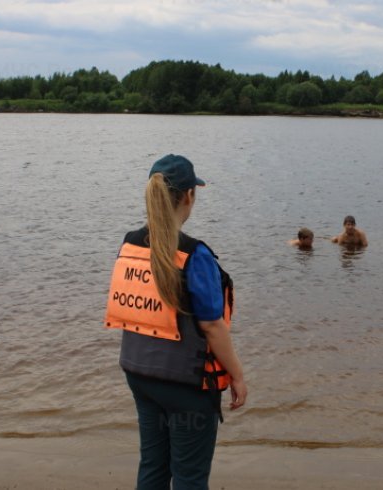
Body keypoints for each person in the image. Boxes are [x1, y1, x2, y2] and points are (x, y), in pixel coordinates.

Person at [105, 154, 247, 490]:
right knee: (190, 477)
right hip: (186, 386)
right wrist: (238, 377)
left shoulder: (130, 243)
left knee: (153, 467)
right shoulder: (194, 255)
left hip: (139, 375)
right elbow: (212, 326)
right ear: (189, 196)